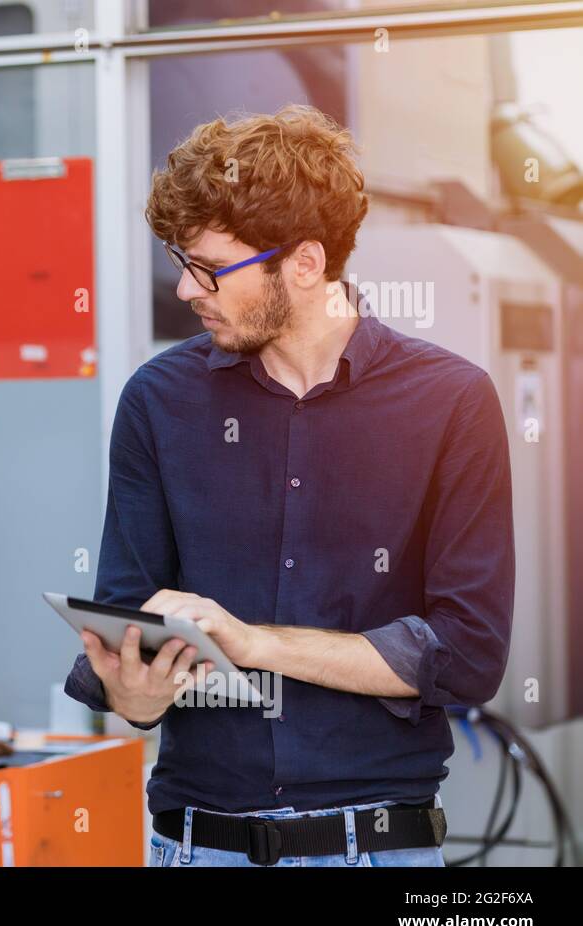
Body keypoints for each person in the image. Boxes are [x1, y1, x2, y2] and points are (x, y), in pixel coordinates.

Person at [64, 105, 514, 867]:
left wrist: (256, 644)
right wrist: (134, 696)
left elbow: (467, 655)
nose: (183, 289)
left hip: (375, 850)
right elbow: (126, 623)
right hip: (198, 846)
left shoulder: (450, 403)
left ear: (305, 264)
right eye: (180, 260)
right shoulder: (158, 401)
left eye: (208, 267)